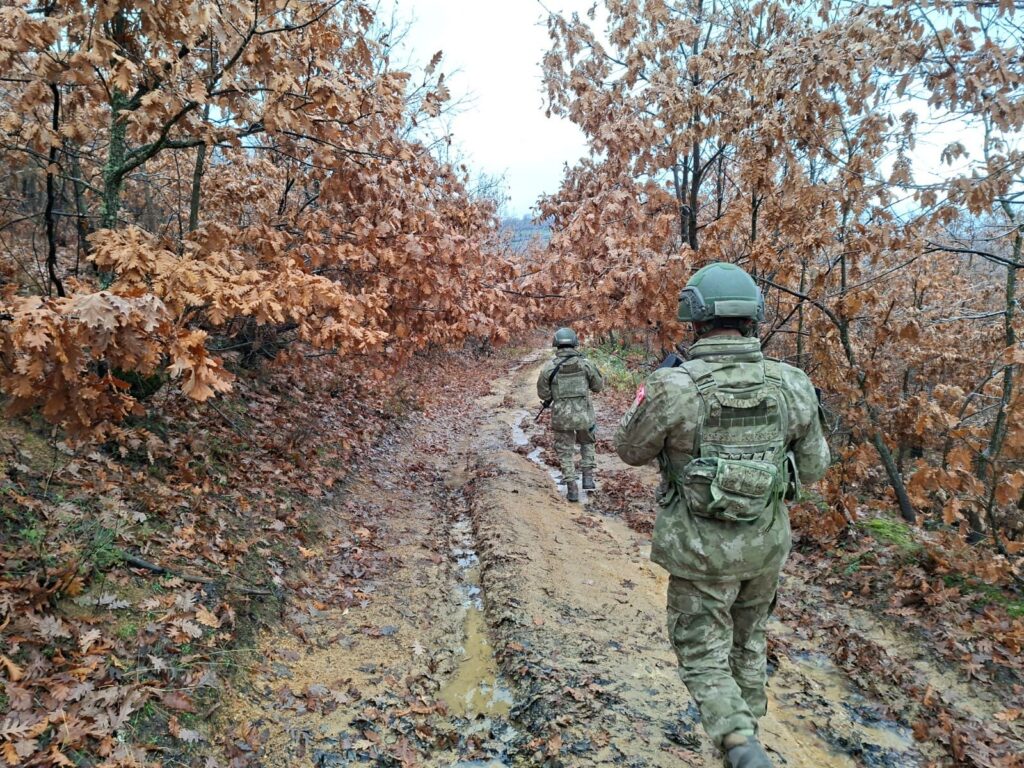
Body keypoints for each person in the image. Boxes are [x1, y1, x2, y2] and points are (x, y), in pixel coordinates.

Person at [614, 263, 830, 768]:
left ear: (694, 320)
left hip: (700, 551)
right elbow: (814, 467)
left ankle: (738, 742)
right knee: (748, 642)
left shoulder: (673, 385)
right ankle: (747, 734)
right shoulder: (793, 383)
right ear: (753, 318)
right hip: (765, 547)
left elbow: (629, 450)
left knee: (701, 651)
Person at [537, 327, 605, 502]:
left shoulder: (549, 368)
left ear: (556, 344)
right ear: (575, 343)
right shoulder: (586, 364)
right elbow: (598, 387)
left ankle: (572, 488)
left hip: (562, 418)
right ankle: (588, 478)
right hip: (584, 416)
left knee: (565, 451)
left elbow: (543, 394)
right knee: (587, 442)